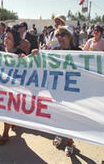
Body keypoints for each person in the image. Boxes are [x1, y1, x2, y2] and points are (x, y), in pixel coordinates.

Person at [32, 26, 81, 157]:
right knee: (60, 114)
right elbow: (44, 62)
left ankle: (70, 141)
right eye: (57, 35)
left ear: (70, 36)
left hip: (73, 91)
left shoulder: (78, 51)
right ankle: (59, 134)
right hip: (58, 89)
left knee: (71, 116)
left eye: (63, 35)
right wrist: (38, 54)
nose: (59, 38)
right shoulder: (56, 50)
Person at [0, 26, 27, 146]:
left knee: (8, 109)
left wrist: (24, 59)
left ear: (14, 41)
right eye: (5, 37)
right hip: (0, 85)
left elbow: (27, 67)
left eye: (9, 38)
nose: (6, 39)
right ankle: (11, 123)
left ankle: (5, 134)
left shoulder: (19, 53)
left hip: (13, 88)